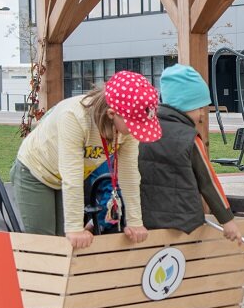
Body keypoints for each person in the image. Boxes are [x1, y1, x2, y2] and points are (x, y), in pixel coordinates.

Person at [11, 71, 160, 249]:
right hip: (35, 171)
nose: (138, 130)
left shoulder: (127, 129)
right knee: (45, 245)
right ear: (112, 114)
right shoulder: (75, 117)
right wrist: (75, 228)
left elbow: (130, 175)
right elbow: (72, 176)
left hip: (62, 178)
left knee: (63, 245)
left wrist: (135, 221)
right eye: (136, 124)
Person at [138, 64, 242, 241]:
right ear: (183, 105)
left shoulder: (143, 132)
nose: (202, 114)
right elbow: (208, 182)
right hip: (184, 224)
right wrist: (227, 220)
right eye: (198, 107)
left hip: (147, 220)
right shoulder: (190, 138)